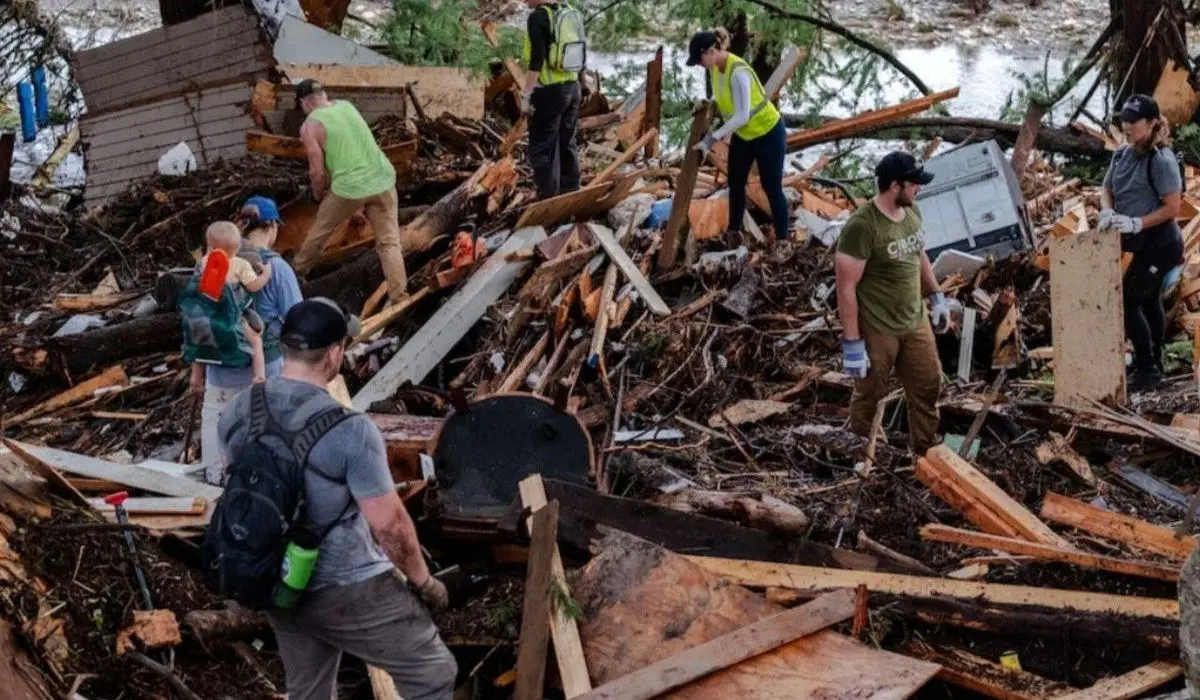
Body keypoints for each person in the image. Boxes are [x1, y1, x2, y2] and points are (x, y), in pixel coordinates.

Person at [218, 299, 457, 700]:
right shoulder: (351, 430)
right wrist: (424, 581)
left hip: (274, 579)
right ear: (333, 354)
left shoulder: (239, 410)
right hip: (346, 584)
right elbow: (390, 527)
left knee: (309, 691)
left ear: (284, 346)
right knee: (432, 673)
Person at [835, 151, 950, 455]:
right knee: (870, 393)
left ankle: (926, 451)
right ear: (894, 185)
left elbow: (918, 253)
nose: (919, 189)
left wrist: (936, 295)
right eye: (914, 184)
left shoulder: (912, 212)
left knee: (928, 385)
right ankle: (862, 454)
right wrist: (852, 344)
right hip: (878, 325)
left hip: (914, 318)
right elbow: (846, 287)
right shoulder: (862, 226)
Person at [293, 79, 409, 304]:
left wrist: (316, 195)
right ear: (324, 94)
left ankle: (295, 271)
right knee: (389, 242)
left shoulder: (309, 126)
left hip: (349, 187)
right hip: (383, 178)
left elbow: (317, 172)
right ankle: (400, 297)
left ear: (303, 103)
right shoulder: (347, 106)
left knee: (322, 229)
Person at [1099, 94, 1184, 391]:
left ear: (1152, 123)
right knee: (1147, 299)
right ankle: (1154, 359)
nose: (1127, 126)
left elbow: (1173, 207)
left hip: (1161, 244)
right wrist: (1108, 211)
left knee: (1128, 299)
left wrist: (1137, 222)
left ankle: (1147, 369)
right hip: (1137, 243)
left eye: (1134, 121)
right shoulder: (1121, 154)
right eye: (1124, 120)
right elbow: (1106, 188)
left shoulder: (1160, 160)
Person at [687, 28, 791, 244]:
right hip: (744, 136)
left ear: (711, 51)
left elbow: (742, 116)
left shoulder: (738, 72)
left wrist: (711, 139)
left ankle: (783, 239)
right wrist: (706, 104)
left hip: (768, 133)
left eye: (699, 59)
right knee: (735, 182)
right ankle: (734, 233)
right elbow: (722, 99)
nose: (698, 64)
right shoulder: (715, 69)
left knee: (771, 187)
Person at [521, 0, 585, 200]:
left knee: (543, 148)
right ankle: (570, 195)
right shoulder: (570, 12)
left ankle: (548, 199)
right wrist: (582, 84)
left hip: (549, 92)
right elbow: (581, 53)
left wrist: (526, 95)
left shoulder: (539, 17)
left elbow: (537, 61)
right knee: (567, 143)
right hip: (573, 88)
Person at [236, 195, 304, 371]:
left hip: (220, 370)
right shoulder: (277, 266)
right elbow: (297, 319)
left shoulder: (221, 261)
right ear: (273, 225)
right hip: (266, 364)